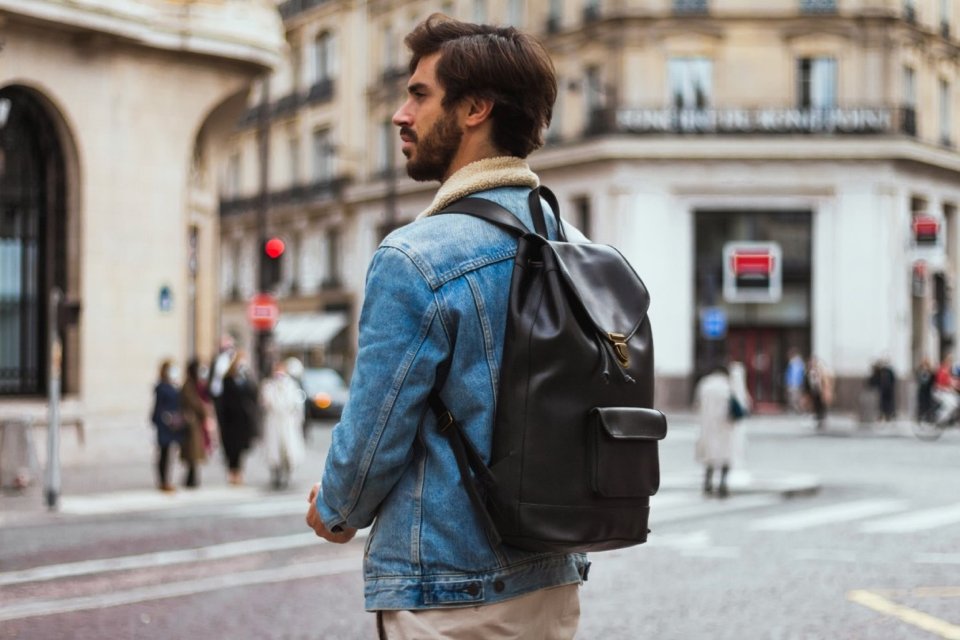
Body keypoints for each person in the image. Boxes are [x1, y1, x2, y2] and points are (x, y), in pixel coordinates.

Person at [305, 14, 587, 638]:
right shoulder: (571, 246)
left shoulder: (416, 257)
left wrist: (334, 509)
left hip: (449, 593)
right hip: (553, 578)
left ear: (475, 109)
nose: (400, 114)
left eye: (420, 94)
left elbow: (375, 429)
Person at [260, 357, 306, 490]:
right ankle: (275, 474)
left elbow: (296, 405)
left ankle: (287, 474)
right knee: (274, 450)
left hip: (287, 423)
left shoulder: (292, 386)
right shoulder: (269, 386)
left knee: (288, 449)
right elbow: (267, 403)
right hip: (274, 423)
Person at [694, 364, 736, 498]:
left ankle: (707, 483)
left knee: (709, 454)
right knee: (725, 454)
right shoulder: (727, 385)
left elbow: (697, 403)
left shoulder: (705, 384)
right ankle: (723, 484)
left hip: (707, 424)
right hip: (724, 425)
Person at [219, 349, 260, 485]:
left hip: (243, 420)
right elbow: (223, 402)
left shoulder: (246, 379)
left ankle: (239, 472)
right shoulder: (228, 380)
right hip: (231, 420)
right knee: (232, 448)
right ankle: (232, 472)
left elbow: (254, 396)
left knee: (242, 448)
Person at [149, 359, 183, 493]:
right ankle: (163, 481)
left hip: (172, 424)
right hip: (164, 424)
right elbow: (158, 408)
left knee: (169, 453)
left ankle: (166, 480)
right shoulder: (162, 387)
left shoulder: (173, 385)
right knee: (163, 453)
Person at [179, 358, 209, 488]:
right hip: (191, 423)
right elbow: (195, 403)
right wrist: (203, 409)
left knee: (195, 452)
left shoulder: (197, 385)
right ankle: (191, 479)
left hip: (196, 423)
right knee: (192, 451)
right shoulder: (188, 385)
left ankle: (192, 478)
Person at [805, 356, 834, 430]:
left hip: (820, 391)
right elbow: (808, 383)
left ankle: (822, 418)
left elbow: (825, 383)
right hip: (813, 391)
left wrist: (825, 391)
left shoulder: (821, 372)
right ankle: (817, 418)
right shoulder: (809, 372)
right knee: (815, 405)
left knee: (822, 405)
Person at [868, 357, 897, 422]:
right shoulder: (879, 371)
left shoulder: (889, 371)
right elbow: (875, 380)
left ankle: (888, 416)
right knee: (881, 404)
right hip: (881, 390)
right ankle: (881, 416)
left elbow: (893, 380)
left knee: (888, 404)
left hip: (888, 390)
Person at [932, 355, 958, 424]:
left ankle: (945, 418)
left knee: (954, 403)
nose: (950, 364)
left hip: (945, 392)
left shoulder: (949, 372)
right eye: (949, 362)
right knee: (951, 404)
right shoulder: (942, 370)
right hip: (939, 392)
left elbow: (951, 382)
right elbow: (938, 384)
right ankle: (939, 417)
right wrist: (948, 388)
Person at [915, 357, 935, 423]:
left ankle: (928, 418)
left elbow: (932, 380)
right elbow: (918, 379)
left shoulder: (930, 372)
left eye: (926, 364)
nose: (925, 366)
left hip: (928, 391)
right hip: (921, 390)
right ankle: (920, 417)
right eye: (924, 364)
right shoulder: (920, 371)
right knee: (921, 404)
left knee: (928, 404)